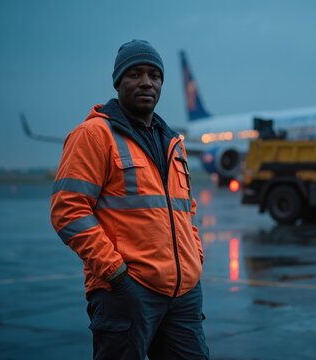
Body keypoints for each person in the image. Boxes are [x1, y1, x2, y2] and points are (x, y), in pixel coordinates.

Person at [50, 40, 208, 359]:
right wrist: (117, 273)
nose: (147, 82)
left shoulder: (174, 142)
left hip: (184, 294)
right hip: (126, 291)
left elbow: (185, 210)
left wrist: (195, 258)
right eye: (135, 74)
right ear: (118, 82)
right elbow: (68, 211)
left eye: (154, 75)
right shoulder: (94, 135)